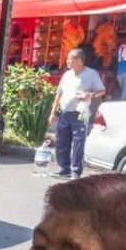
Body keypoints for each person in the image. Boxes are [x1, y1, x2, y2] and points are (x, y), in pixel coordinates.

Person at [50, 49, 106, 180]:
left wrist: (90, 95)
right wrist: (53, 112)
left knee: (78, 143)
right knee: (61, 141)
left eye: (70, 59)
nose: (67, 61)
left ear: (79, 61)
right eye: (68, 59)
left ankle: (76, 171)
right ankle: (64, 168)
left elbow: (101, 90)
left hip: (80, 114)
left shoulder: (91, 74)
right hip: (64, 113)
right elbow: (59, 94)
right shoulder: (67, 75)